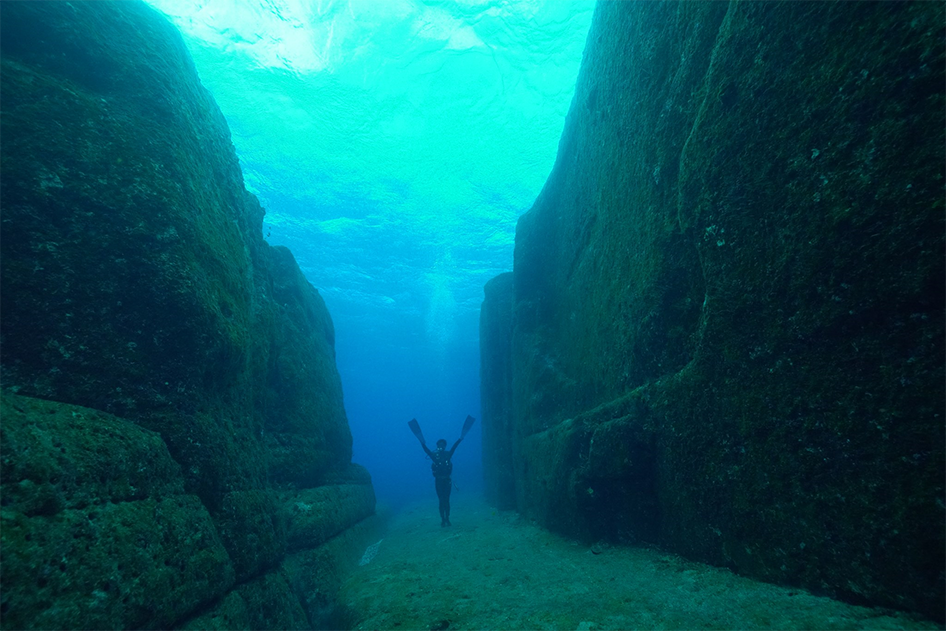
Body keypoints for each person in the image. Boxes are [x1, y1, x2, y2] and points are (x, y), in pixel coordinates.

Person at [408, 416, 475, 527]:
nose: (441, 446)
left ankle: (447, 518)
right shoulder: (434, 456)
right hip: (439, 481)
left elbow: (455, 447)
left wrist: (461, 438)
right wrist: (421, 442)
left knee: (446, 500)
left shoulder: (448, 454)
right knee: (441, 500)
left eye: (443, 445)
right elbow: (426, 450)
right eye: (439, 445)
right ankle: (443, 519)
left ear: (444, 446)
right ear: (437, 446)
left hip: (447, 481)